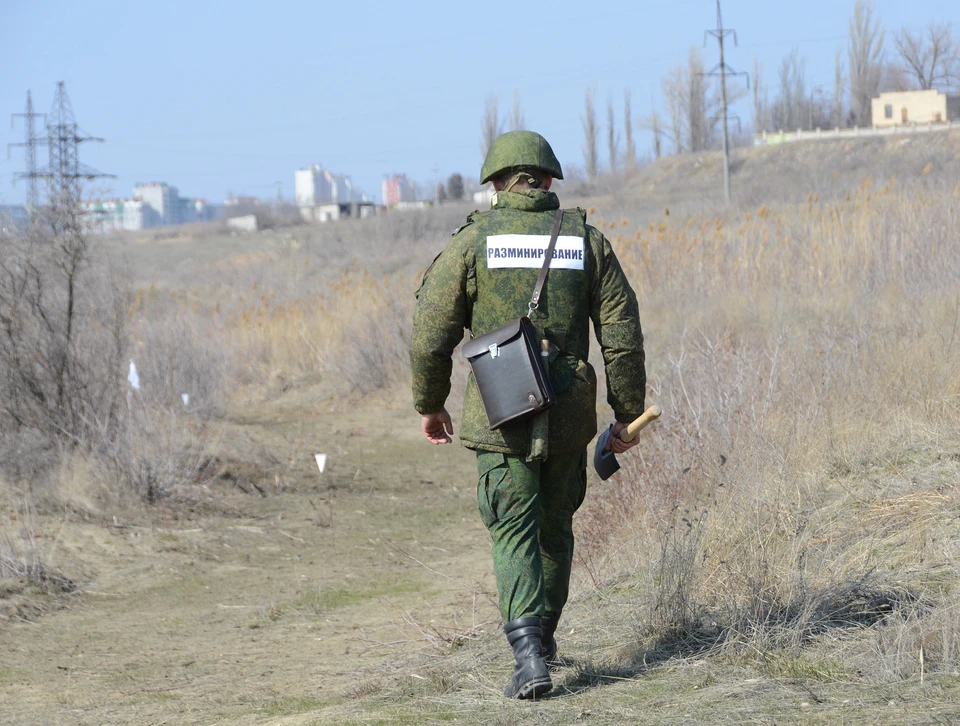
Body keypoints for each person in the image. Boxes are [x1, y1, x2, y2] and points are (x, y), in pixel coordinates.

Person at [410, 130, 646, 699]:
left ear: (496, 182)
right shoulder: (587, 241)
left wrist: (430, 403)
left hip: (500, 414)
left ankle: (529, 657)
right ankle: (542, 642)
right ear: (547, 180)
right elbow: (622, 337)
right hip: (568, 417)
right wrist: (626, 414)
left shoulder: (471, 243)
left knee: (513, 529)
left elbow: (429, 337)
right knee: (555, 530)